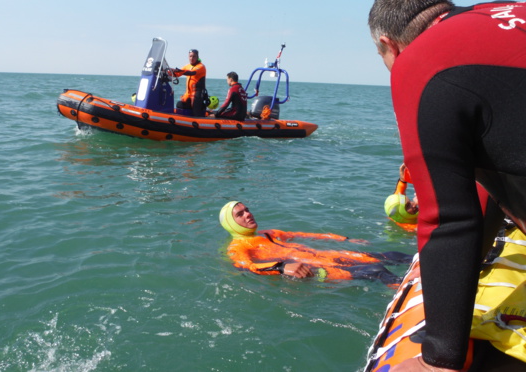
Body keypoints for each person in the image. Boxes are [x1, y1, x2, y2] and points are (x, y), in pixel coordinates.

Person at [368, 1, 526, 370]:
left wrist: (440, 354)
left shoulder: (421, 60)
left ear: (390, 46)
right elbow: (485, 187)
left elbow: (450, 218)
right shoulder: (503, 10)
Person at [219, 201, 412, 285]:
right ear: (230, 222)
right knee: (376, 271)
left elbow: (305, 234)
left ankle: (430, 265)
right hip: (313, 270)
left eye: (247, 209)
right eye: (240, 214)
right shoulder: (237, 247)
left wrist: (344, 239)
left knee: (390, 256)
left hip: (328, 257)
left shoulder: (269, 234)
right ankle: (414, 296)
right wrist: (281, 267)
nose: (248, 214)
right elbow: (246, 266)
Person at [169, 49, 207, 117]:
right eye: (190, 56)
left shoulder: (201, 66)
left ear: (197, 57)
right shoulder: (187, 66)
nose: (192, 58)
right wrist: (168, 72)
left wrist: (178, 70)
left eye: (194, 56)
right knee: (179, 104)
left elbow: (192, 72)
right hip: (188, 93)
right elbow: (177, 74)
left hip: (197, 93)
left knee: (196, 111)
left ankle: (201, 108)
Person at [384, 163, 419, 230]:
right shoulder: (413, 227)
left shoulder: (397, 216)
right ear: (401, 213)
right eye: (408, 206)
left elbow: (399, 196)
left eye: (410, 202)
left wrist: (403, 179)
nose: (414, 204)